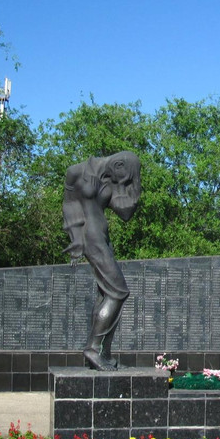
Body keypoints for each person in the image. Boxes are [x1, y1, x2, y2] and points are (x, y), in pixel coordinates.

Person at [62, 151, 141, 370]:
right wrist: (75, 239)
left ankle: (102, 352)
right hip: (91, 236)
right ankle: (94, 348)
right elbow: (68, 205)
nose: (122, 181)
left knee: (106, 293)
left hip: (103, 238)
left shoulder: (109, 181)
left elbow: (125, 214)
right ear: (118, 164)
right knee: (118, 291)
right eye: (124, 176)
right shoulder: (76, 171)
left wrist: (130, 188)